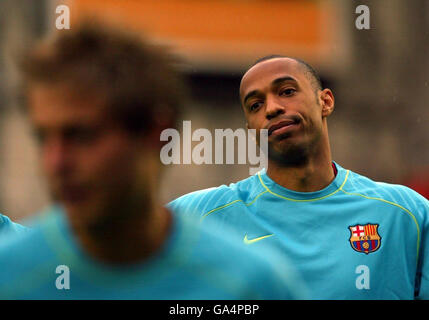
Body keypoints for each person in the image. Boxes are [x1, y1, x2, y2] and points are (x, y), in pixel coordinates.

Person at [0, 28, 307, 299]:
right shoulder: (10, 276)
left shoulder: (252, 284)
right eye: (43, 138)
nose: (56, 162)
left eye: (81, 136)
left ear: (157, 135)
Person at [169, 55, 429, 300]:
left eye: (287, 92)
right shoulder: (201, 215)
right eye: (255, 105)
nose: (271, 108)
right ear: (251, 131)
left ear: (325, 102)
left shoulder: (406, 214)